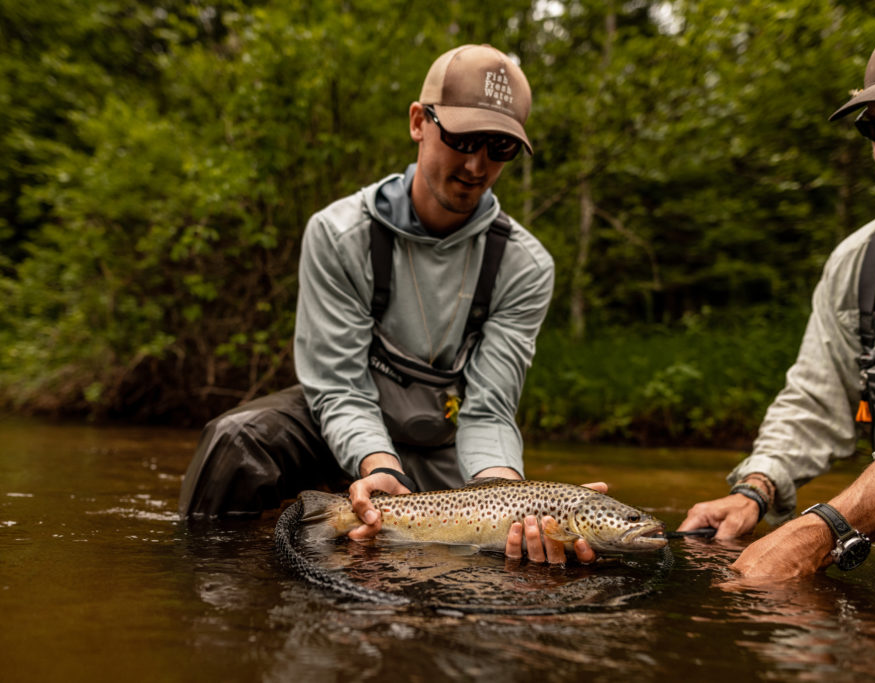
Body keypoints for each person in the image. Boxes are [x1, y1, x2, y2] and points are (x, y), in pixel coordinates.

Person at [178, 44, 596, 563]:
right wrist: (379, 466)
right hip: (341, 422)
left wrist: (511, 501)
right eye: (463, 138)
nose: (476, 165)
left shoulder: (526, 266)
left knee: (501, 561)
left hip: (445, 443)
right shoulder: (338, 234)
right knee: (236, 441)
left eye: (499, 148)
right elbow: (338, 385)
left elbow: (488, 411)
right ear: (419, 122)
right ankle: (204, 579)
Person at [678, 15, 875, 578]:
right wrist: (756, 490)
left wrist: (825, 528)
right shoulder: (856, 262)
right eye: (874, 128)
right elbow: (814, 400)